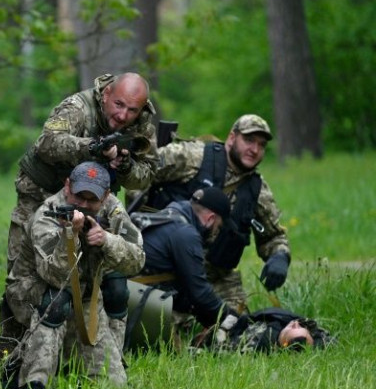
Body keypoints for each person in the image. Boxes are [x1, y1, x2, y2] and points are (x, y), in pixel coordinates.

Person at [0, 72, 158, 389]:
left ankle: (101, 361)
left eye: (132, 110)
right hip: (41, 195)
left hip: (96, 196)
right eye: (119, 105)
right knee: (26, 284)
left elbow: (146, 175)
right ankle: (12, 363)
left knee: (105, 286)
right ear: (106, 93)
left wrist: (122, 163)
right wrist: (92, 148)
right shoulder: (77, 108)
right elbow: (47, 144)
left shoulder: (142, 122)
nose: (123, 116)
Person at [3, 161, 145, 389]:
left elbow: (138, 259)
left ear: (106, 196)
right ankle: (34, 384)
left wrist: (107, 240)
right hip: (33, 291)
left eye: (92, 200)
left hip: (86, 292)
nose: (84, 206)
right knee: (58, 302)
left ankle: (94, 364)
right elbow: (55, 275)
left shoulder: (113, 209)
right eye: (79, 197)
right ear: (67, 186)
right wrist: (70, 237)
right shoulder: (48, 214)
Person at [141, 114, 290, 313]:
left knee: (235, 330)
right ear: (231, 138)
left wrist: (279, 257)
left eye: (261, 145)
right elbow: (141, 174)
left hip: (217, 279)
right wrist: (143, 226)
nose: (254, 149)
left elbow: (274, 236)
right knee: (164, 329)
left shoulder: (257, 191)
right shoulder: (194, 157)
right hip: (166, 271)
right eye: (248, 140)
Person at [124, 187, 239, 351]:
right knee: (174, 350)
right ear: (211, 219)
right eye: (218, 227)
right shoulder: (186, 234)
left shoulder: (172, 213)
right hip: (135, 299)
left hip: (124, 291)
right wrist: (229, 316)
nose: (216, 233)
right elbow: (199, 292)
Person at [194, 307, 333, 353]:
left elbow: (218, 349)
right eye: (301, 327)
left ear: (283, 343)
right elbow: (327, 338)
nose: (296, 323)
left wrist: (223, 328)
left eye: (293, 327)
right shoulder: (309, 332)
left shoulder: (254, 342)